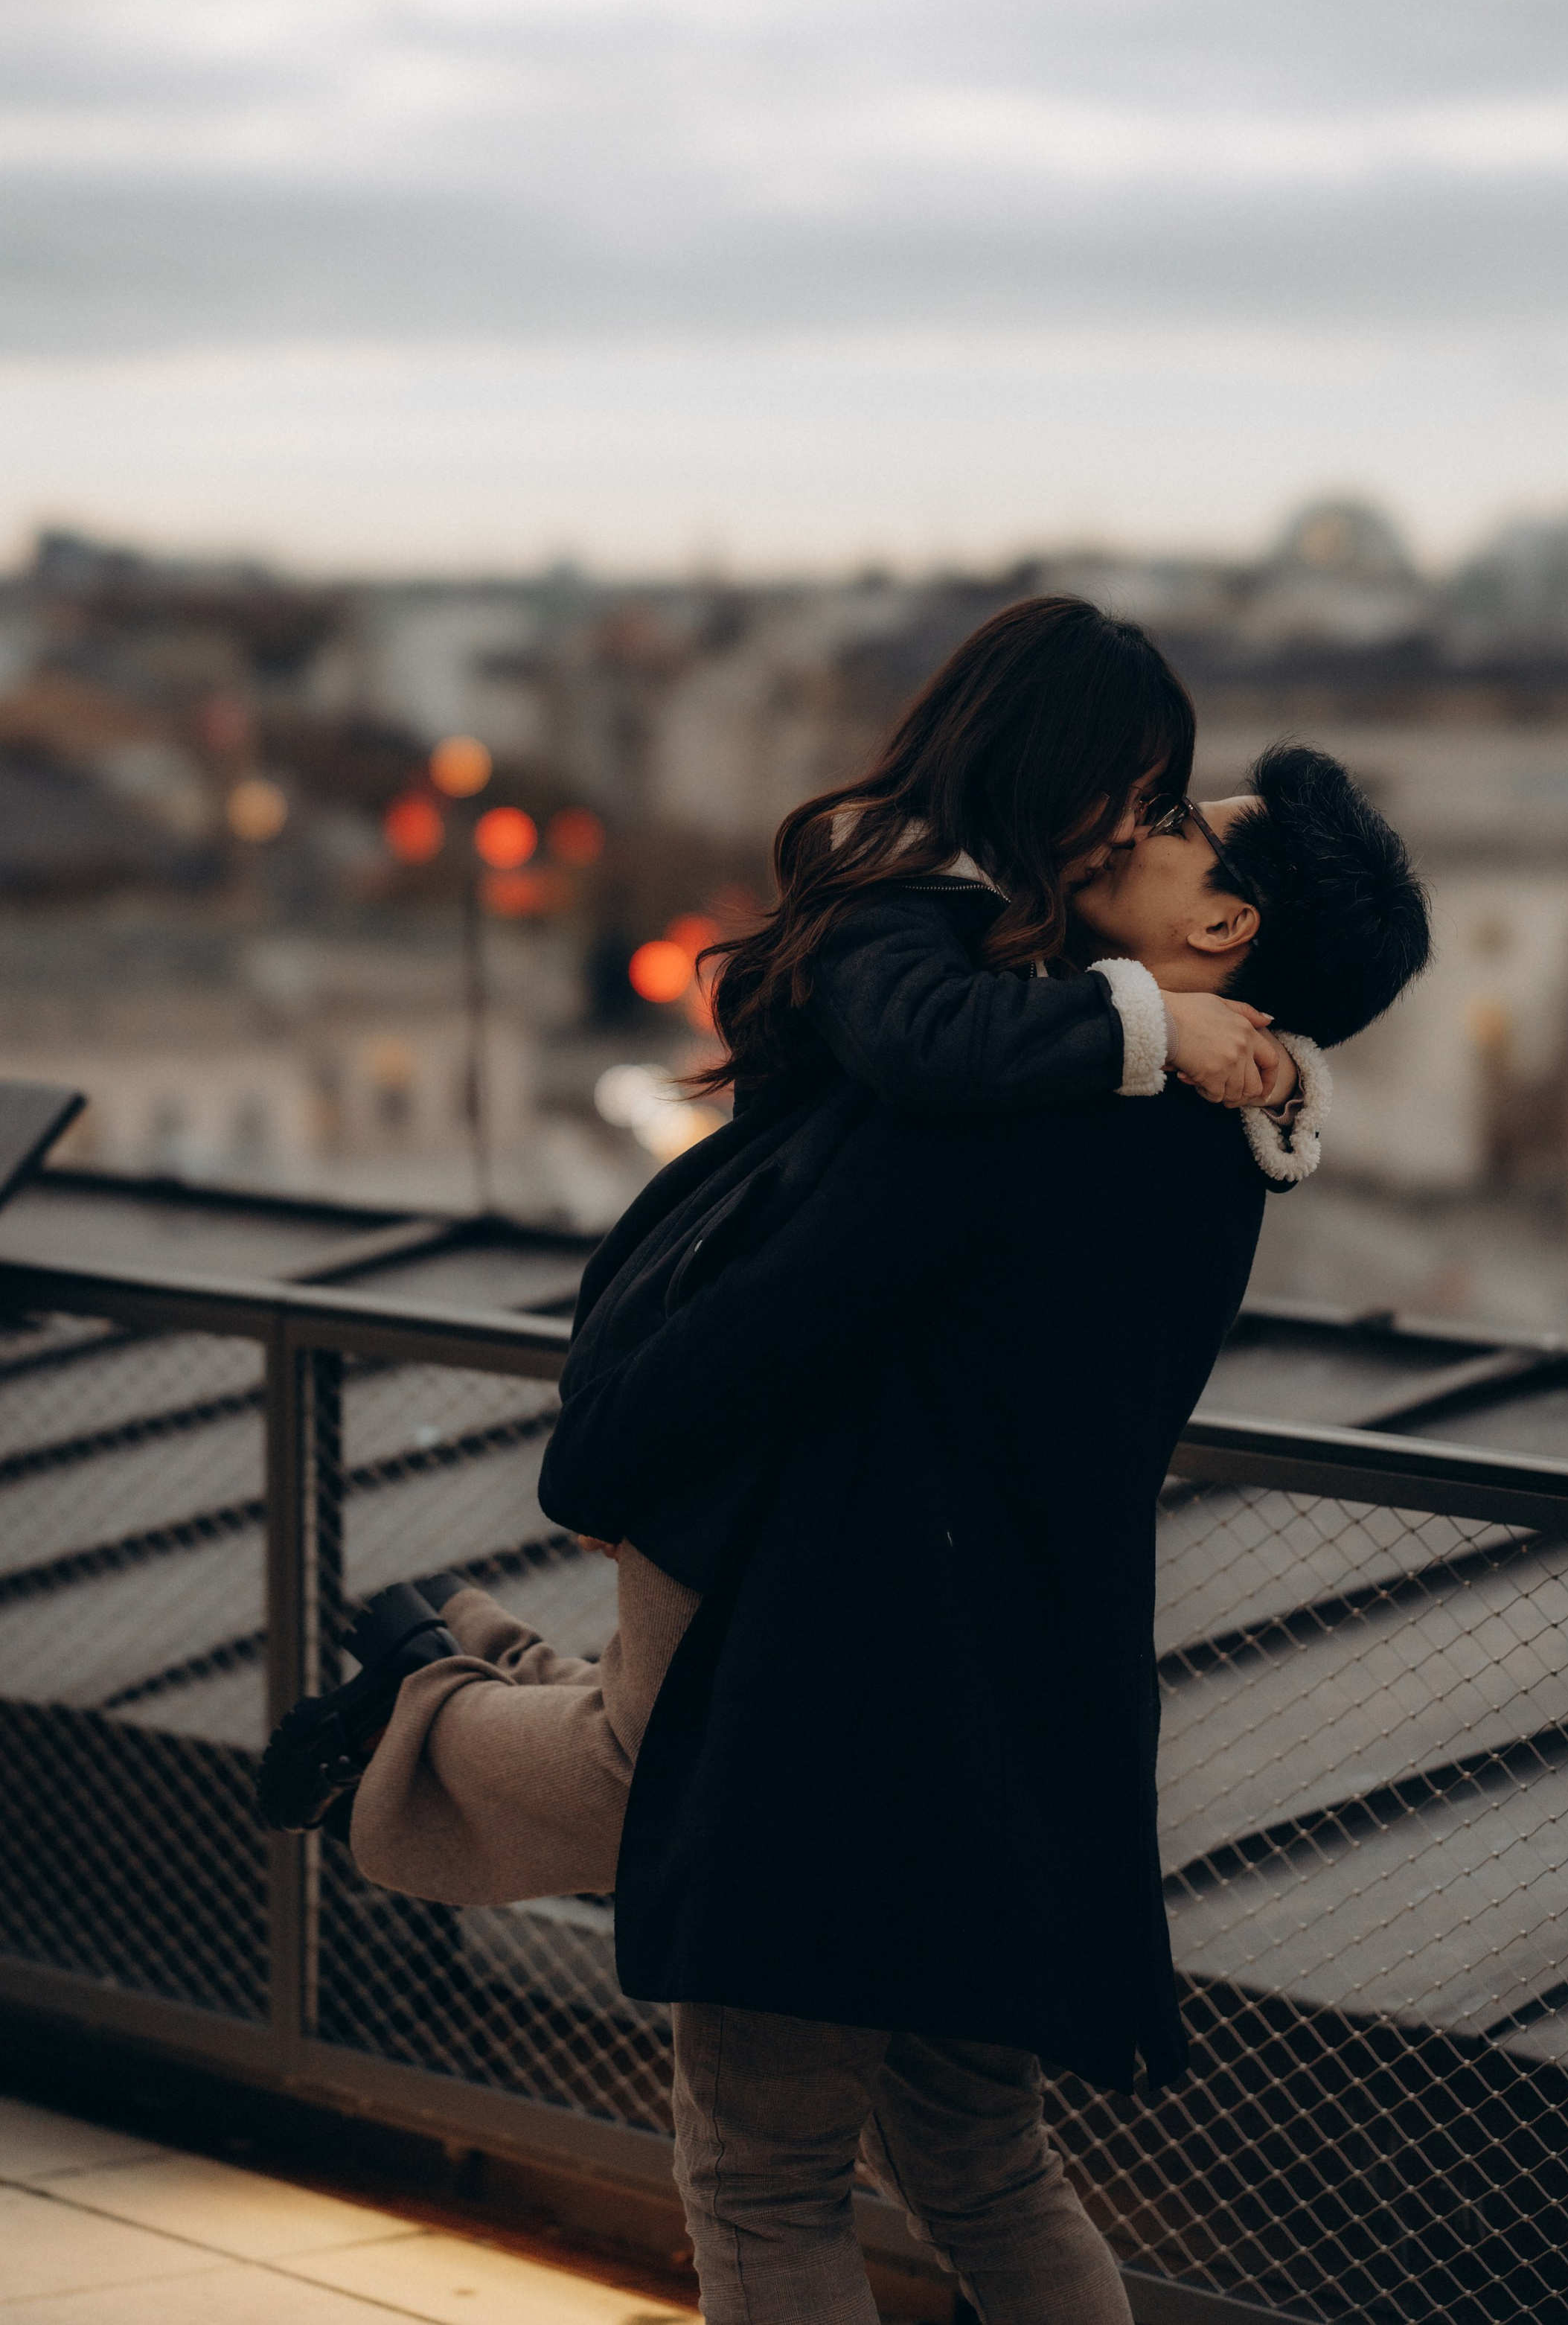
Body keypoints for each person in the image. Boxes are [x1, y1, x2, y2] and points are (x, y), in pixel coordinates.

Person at [263, 744, 1428, 2325]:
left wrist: (614, 1456)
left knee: (760, 2169)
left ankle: (428, 1697)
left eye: (1171, 822)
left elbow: (772, 1309)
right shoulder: (1216, 1143)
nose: (1126, 819)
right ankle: (442, 1679)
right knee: (987, 2164)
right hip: (1026, 1701)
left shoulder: (1004, 1105)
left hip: (837, 1670)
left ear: (1223, 926)